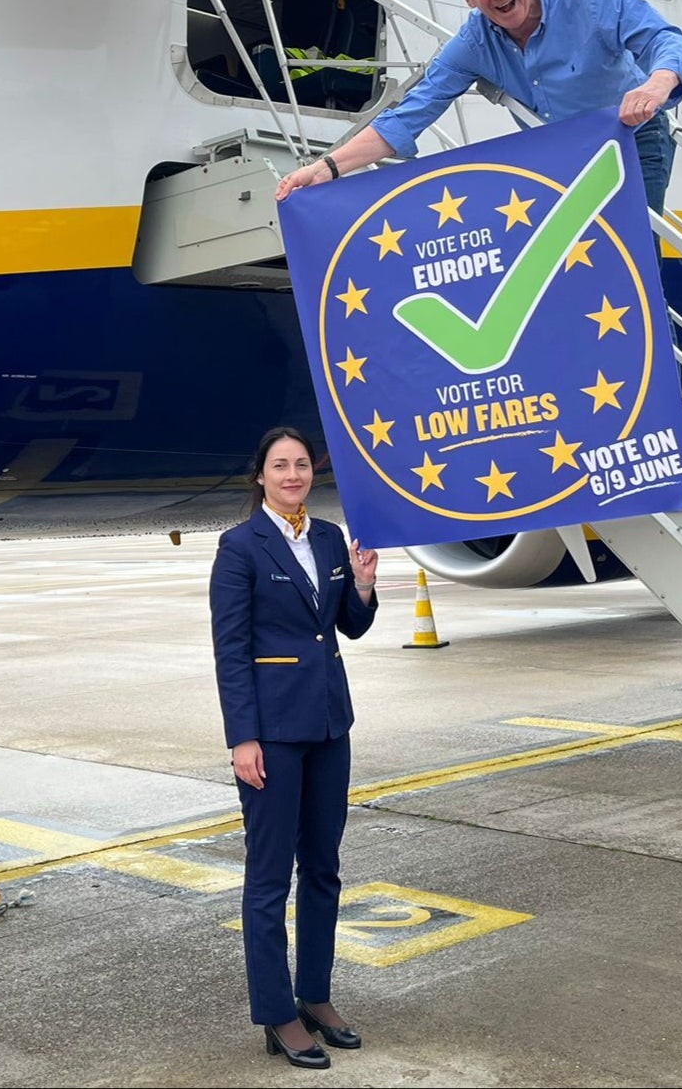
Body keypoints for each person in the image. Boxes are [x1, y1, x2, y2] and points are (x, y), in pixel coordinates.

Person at [272, 0, 682, 218]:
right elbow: (407, 117)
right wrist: (325, 168)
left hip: (630, 136)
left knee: (630, 260)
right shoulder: (474, 43)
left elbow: (666, 41)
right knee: (575, 269)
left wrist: (657, 83)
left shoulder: (590, 0)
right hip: (563, 150)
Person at [209, 427, 380, 1069]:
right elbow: (231, 652)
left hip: (330, 724)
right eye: (279, 465)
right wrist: (242, 738)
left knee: (324, 868)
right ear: (260, 477)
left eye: (301, 464)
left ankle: (317, 995)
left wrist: (362, 585)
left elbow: (349, 628)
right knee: (268, 875)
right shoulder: (239, 547)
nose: (292, 475)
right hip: (273, 735)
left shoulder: (330, 538)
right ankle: (278, 1013)